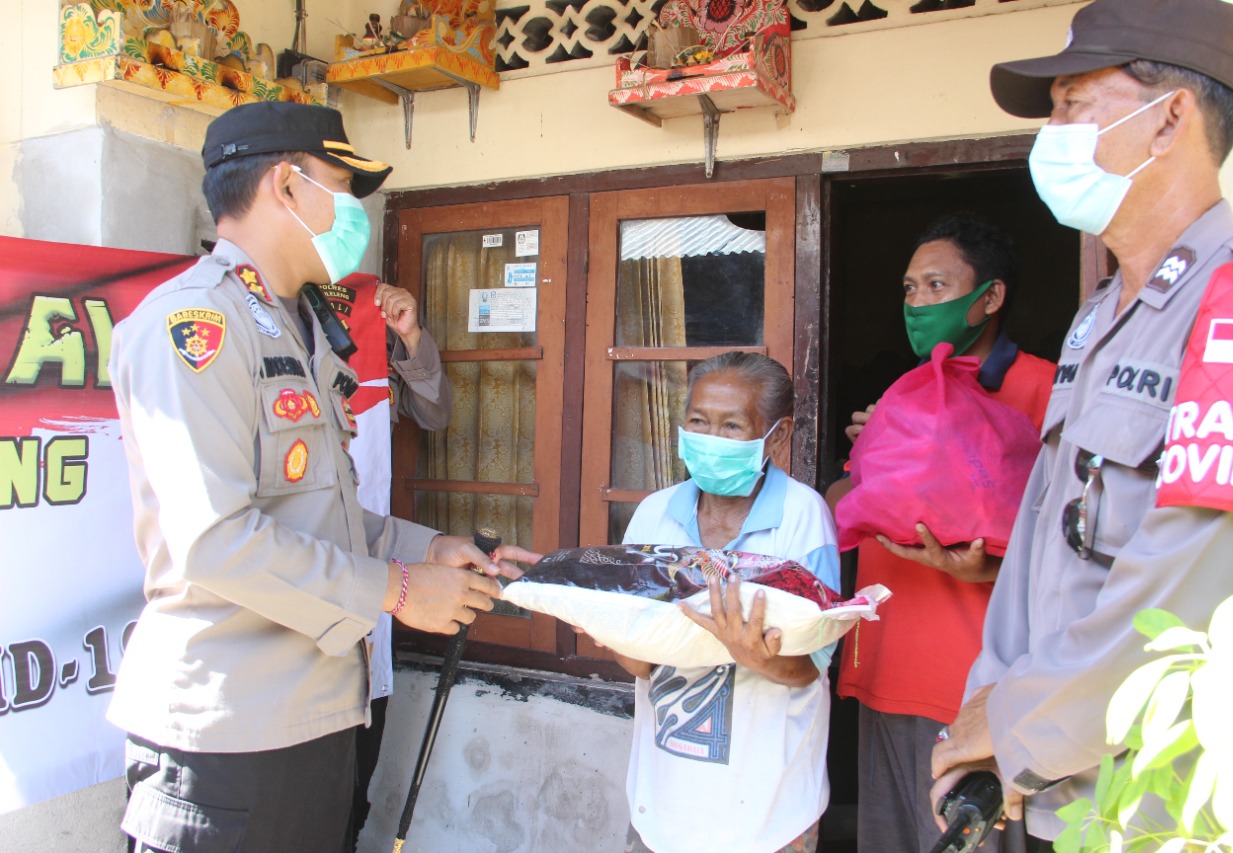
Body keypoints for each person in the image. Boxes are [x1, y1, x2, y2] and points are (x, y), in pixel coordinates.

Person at [108, 101, 537, 852]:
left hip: (316, 720)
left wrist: (427, 547)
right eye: (342, 187)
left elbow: (325, 515)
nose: (354, 212)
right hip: (227, 736)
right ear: (286, 185)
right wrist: (398, 591)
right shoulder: (193, 328)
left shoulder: (301, 328)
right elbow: (217, 542)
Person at [930, 0, 1233, 846]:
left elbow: (1185, 590)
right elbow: (1044, 532)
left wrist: (1013, 724)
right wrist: (987, 710)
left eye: (1072, 105)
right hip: (1040, 787)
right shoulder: (1098, 318)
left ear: (1169, 119)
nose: (1051, 134)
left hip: (1152, 804)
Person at [827, 214, 1054, 853]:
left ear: (990, 297)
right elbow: (847, 506)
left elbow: (1075, 542)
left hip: (978, 686)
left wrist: (985, 570)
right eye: (909, 289)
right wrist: (875, 446)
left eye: (935, 284)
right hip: (884, 667)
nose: (918, 303)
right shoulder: (903, 393)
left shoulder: (1044, 387)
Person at [584, 352, 840, 853]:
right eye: (698, 422)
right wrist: (603, 623)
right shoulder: (655, 515)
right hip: (663, 806)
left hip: (768, 813)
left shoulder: (801, 519)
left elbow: (812, 666)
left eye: (731, 426)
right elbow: (642, 662)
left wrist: (752, 653)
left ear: (778, 436)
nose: (709, 439)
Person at [348, 280, 454, 850]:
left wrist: (409, 337)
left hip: (375, 569)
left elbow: (435, 414)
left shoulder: (364, 329)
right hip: (298, 592)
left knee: (354, 779)